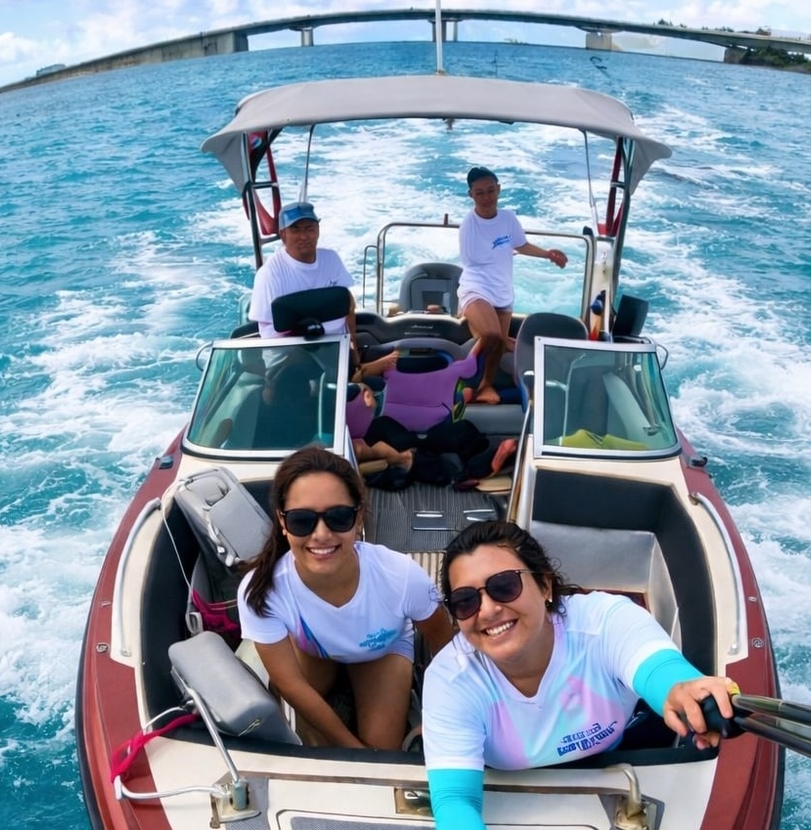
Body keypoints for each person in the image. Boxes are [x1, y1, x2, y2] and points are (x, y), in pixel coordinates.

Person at [422, 520, 738, 829]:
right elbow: (456, 800)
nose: (488, 610)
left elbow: (661, 672)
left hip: (613, 767)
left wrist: (685, 692)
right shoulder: (451, 678)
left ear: (545, 585)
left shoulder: (605, 622)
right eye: (466, 601)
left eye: (504, 586)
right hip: (510, 795)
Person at [237, 447, 454, 749]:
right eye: (302, 520)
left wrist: (440, 709)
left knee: (382, 749)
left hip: (382, 652)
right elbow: (291, 685)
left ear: (359, 517)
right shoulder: (261, 590)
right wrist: (354, 752)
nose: (321, 534)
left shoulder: (401, 575)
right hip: (315, 653)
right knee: (316, 741)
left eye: (338, 517)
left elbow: (444, 643)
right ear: (283, 523)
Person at [248, 199, 394, 380]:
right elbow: (269, 334)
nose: (304, 236)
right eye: (296, 230)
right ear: (283, 234)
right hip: (289, 359)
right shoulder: (269, 274)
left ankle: (358, 372)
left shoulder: (331, 259)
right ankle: (356, 375)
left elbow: (348, 307)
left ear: (318, 231)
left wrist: (354, 351)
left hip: (336, 350)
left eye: (309, 228)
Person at [458, 167, 569, 404]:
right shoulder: (469, 225)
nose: (486, 197)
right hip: (477, 287)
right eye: (479, 193)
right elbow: (473, 261)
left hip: (502, 290)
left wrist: (548, 254)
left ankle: (490, 381)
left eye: (490, 191)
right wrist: (502, 247)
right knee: (492, 335)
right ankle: (476, 382)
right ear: (471, 195)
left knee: (498, 343)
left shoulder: (508, 218)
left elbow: (521, 244)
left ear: (499, 189)